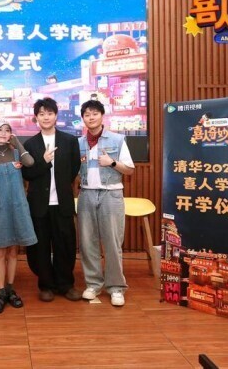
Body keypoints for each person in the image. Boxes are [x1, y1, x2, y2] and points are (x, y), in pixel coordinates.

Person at [22, 97, 82, 302]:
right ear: (36, 118)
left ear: (56, 116)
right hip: (39, 205)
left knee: (65, 245)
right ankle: (46, 285)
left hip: (62, 202)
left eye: (49, 113)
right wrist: (44, 162)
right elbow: (27, 174)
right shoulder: (30, 144)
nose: (46, 117)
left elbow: (74, 168)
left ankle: (66, 284)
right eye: (41, 114)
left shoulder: (69, 141)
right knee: (40, 247)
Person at [77, 99, 135, 307]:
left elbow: (129, 169)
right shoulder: (79, 143)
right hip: (86, 194)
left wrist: (111, 162)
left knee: (112, 242)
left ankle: (116, 287)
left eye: (95, 113)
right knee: (87, 243)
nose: (91, 117)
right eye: (87, 115)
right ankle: (93, 284)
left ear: (102, 116)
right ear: (83, 119)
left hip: (111, 195)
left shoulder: (117, 140)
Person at [0, 118, 37, 314]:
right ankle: (1, 291)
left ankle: (11, 289)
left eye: (7, 130)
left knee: (13, 251)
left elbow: (30, 162)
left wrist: (17, 142)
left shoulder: (16, 153)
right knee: (0, 252)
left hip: (17, 207)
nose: (3, 133)